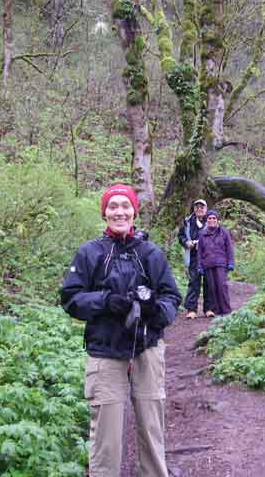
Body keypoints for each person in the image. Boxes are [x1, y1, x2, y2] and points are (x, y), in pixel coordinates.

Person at [60, 183, 181, 477]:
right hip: (105, 349)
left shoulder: (150, 253)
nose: (119, 212)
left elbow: (171, 297)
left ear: (134, 212)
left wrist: (153, 310)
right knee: (106, 432)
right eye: (112, 206)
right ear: (104, 213)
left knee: (151, 425)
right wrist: (106, 301)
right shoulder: (90, 253)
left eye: (125, 206)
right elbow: (71, 298)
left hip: (147, 347)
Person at [177, 198, 212, 319]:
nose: (199, 209)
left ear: (206, 209)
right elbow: (181, 236)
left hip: (208, 256)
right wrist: (186, 242)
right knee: (194, 282)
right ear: (194, 209)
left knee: (209, 281)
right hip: (193, 255)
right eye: (197, 207)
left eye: (202, 207)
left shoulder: (211, 220)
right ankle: (191, 309)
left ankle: (209, 308)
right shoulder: (188, 221)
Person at [196, 209, 234, 317]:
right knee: (211, 287)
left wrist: (230, 262)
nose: (212, 220)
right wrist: (199, 266)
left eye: (214, 218)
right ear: (206, 220)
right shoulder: (202, 234)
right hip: (207, 264)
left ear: (217, 220)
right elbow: (199, 252)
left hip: (221, 263)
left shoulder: (224, 232)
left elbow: (229, 248)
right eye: (209, 218)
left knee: (221, 286)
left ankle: (226, 310)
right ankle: (215, 310)